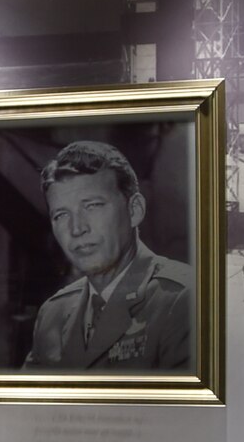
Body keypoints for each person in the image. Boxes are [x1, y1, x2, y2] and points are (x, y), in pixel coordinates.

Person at [23, 140, 194, 372]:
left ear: (134, 211)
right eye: (61, 215)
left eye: (92, 206)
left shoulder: (185, 299)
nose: (77, 229)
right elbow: (27, 406)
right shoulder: (53, 313)